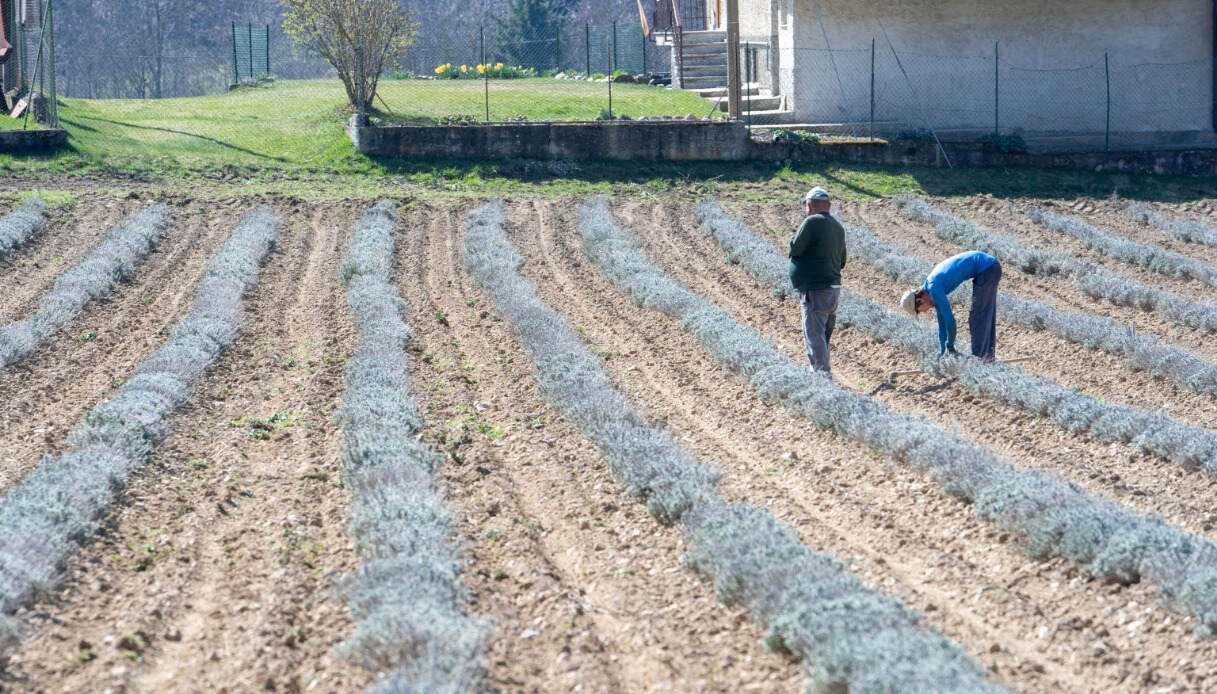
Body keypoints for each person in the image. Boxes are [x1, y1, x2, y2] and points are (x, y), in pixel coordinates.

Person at [899, 250, 1002, 361]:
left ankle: (981, 362)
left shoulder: (934, 288)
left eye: (918, 311)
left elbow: (950, 322)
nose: (923, 312)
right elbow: (942, 325)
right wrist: (943, 351)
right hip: (988, 268)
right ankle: (987, 359)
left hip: (987, 269)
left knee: (978, 317)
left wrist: (950, 345)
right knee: (984, 315)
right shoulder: (931, 290)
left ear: (919, 300)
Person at [789, 186, 847, 377]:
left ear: (810, 205)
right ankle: (822, 372)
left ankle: (822, 376)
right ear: (828, 205)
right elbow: (843, 260)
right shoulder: (838, 227)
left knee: (814, 334)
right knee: (823, 334)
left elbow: (795, 248)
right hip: (833, 287)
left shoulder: (812, 222)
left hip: (816, 288)